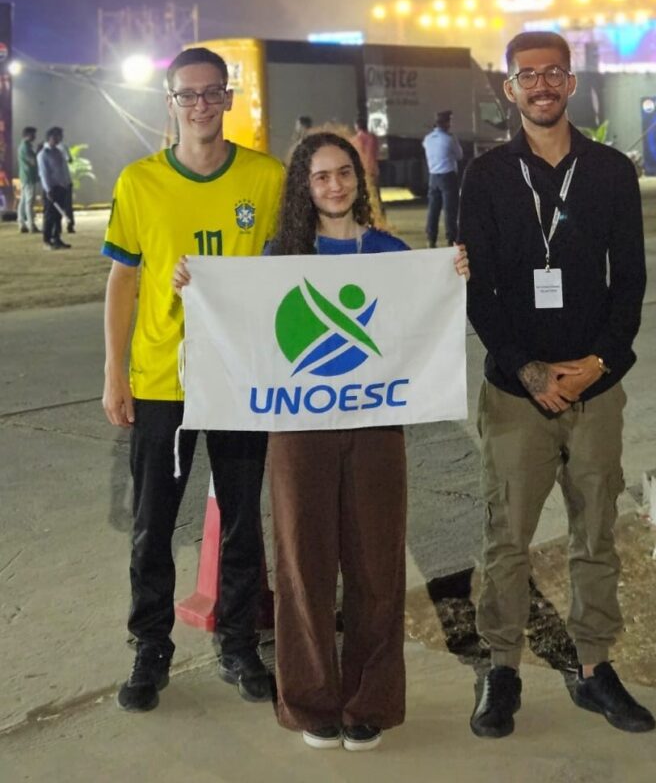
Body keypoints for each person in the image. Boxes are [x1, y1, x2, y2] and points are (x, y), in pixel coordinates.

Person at [173, 131, 469, 752]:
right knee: (302, 566)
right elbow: (241, 322)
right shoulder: (281, 257)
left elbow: (420, 323)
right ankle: (310, 701)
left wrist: (450, 277)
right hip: (298, 432)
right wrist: (195, 287)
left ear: (360, 180)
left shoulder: (388, 251)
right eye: (321, 176)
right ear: (304, 188)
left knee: (376, 567)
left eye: (344, 173)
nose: (335, 185)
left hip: (375, 429)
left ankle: (370, 703)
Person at [459, 30, 655, 739]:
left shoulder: (609, 171)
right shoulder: (486, 176)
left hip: (595, 388)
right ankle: (501, 668)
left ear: (571, 83)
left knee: (594, 531)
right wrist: (529, 371)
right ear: (508, 89)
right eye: (526, 75)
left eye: (552, 73)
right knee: (506, 537)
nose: (540, 85)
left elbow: (629, 280)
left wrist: (599, 363)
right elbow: (477, 290)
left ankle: (595, 666)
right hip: (518, 394)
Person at [102, 46, 285, 713]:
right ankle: (150, 647)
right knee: (153, 524)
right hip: (161, 379)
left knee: (241, 522)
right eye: (188, 94)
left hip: (239, 379)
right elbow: (123, 281)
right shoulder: (139, 182)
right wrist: (114, 372)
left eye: (212, 93)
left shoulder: (266, 178)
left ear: (228, 98)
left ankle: (238, 644)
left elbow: (295, 267)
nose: (201, 105)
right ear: (170, 102)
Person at [422, 109, 463, 247]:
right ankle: (451, 238)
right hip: (448, 176)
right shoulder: (449, 139)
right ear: (446, 123)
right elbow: (459, 155)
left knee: (433, 209)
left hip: (433, 177)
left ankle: (431, 238)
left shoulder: (427, 139)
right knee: (450, 209)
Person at [37, 126, 72, 250]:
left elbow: (63, 170)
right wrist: (48, 189)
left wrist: (66, 183)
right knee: (49, 216)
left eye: (60, 136)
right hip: (51, 189)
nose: (59, 139)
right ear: (50, 137)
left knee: (58, 216)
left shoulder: (58, 152)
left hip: (61, 187)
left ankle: (57, 238)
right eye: (57, 136)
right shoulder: (43, 154)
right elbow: (44, 173)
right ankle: (47, 241)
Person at [17, 125, 40, 233]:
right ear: (27, 135)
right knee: (29, 202)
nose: (35, 136)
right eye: (33, 134)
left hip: (25, 176)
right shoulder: (25, 147)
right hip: (29, 176)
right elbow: (33, 161)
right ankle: (31, 225)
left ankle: (22, 223)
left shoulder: (25, 146)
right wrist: (39, 151)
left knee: (23, 201)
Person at [351, 114, 380, 195]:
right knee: (375, 191)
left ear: (357, 126)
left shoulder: (354, 140)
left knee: (363, 191)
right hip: (373, 168)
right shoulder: (373, 138)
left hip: (360, 169)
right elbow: (377, 152)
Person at [57, 137, 75, 233]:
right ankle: (69, 225)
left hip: (56, 182)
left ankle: (57, 227)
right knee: (67, 205)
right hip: (64, 180)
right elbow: (70, 159)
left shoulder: (46, 149)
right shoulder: (63, 146)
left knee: (56, 206)